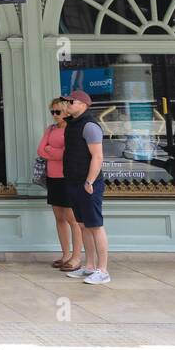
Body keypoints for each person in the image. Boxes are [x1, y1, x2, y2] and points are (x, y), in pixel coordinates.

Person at [62, 89, 110, 285]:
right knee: (83, 226)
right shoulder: (71, 125)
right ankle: (89, 266)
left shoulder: (90, 126)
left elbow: (97, 157)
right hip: (73, 181)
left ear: (83, 104)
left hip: (88, 184)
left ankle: (103, 270)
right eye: (66, 102)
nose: (67, 105)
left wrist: (89, 181)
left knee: (96, 226)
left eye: (70, 102)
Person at [38, 96, 83, 272]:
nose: (55, 115)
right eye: (53, 112)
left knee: (73, 219)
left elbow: (67, 153)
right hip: (53, 177)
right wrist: (53, 152)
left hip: (68, 177)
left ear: (66, 110)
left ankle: (76, 257)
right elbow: (41, 150)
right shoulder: (50, 129)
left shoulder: (72, 129)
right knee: (59, 218)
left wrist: (52, 151)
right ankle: (65, 254)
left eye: (58, 111)